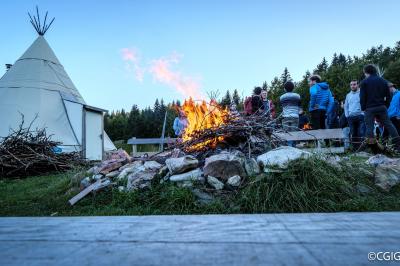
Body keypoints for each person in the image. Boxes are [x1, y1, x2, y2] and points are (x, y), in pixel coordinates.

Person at [360, 64, 400, 151]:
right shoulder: (383, 81)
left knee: (369, 127)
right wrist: (386, 105)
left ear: (366, 72)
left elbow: (362, 97)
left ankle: (372, 148)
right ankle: (398, 145)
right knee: (389, 125)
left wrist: (363, 108)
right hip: (382, 106)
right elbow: (389, 95)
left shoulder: (364, 82)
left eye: (364, 73)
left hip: (369, 108)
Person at [344, 80, 365, 150]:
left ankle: (362, 148)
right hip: (351, 117)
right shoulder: (348, 95)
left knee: (361, 132)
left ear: (358, 85)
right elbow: (346, 106)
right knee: (353, 133)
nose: (352, 86)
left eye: (354, 84)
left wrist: (363, 113)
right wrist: (347, 115)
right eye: (351, 85)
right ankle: (355, 149)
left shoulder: (362, 93)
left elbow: (365, 103)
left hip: (360, 115)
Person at [280, 81, 301, 146]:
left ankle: (288, 147)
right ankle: (293, 147)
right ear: (293, 88)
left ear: (285, 89)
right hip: (295, 116)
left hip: (285, 116)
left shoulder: (282, 97)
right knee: (294, 133)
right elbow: (299, 105)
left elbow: (282, 106)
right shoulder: (297, 96)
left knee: (286, 133)